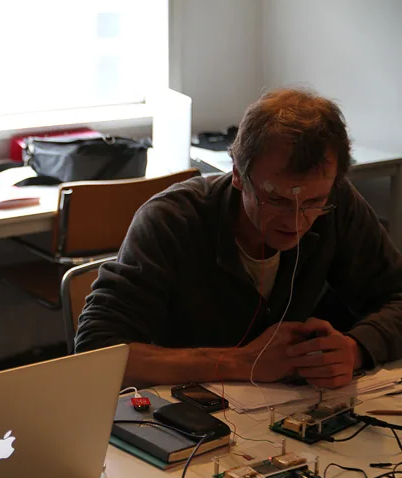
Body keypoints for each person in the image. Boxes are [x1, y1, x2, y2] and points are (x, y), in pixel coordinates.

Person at [75, 88, 402, 389]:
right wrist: (241, 362)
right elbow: (96, 353)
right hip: (183, 412)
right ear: (237, 174)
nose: (297, 220)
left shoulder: (338, 203)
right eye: (277, 200)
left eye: (314, 202)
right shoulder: (172, 221)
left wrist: (356, 349)